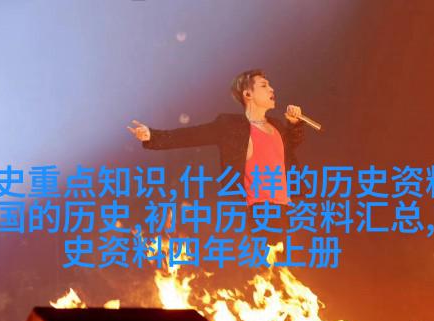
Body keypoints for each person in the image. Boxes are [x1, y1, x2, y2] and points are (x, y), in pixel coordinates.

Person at [127, 69, 307, 246]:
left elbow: (289, 147)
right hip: (262, 211)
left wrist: (294, 124)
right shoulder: (231, 126)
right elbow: (191, 136)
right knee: (269, 260)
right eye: (264, 85)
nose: (271, 89)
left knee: (294, 262)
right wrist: (152, 136)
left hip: (288, 208)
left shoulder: (276, 125)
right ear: (248, 94)